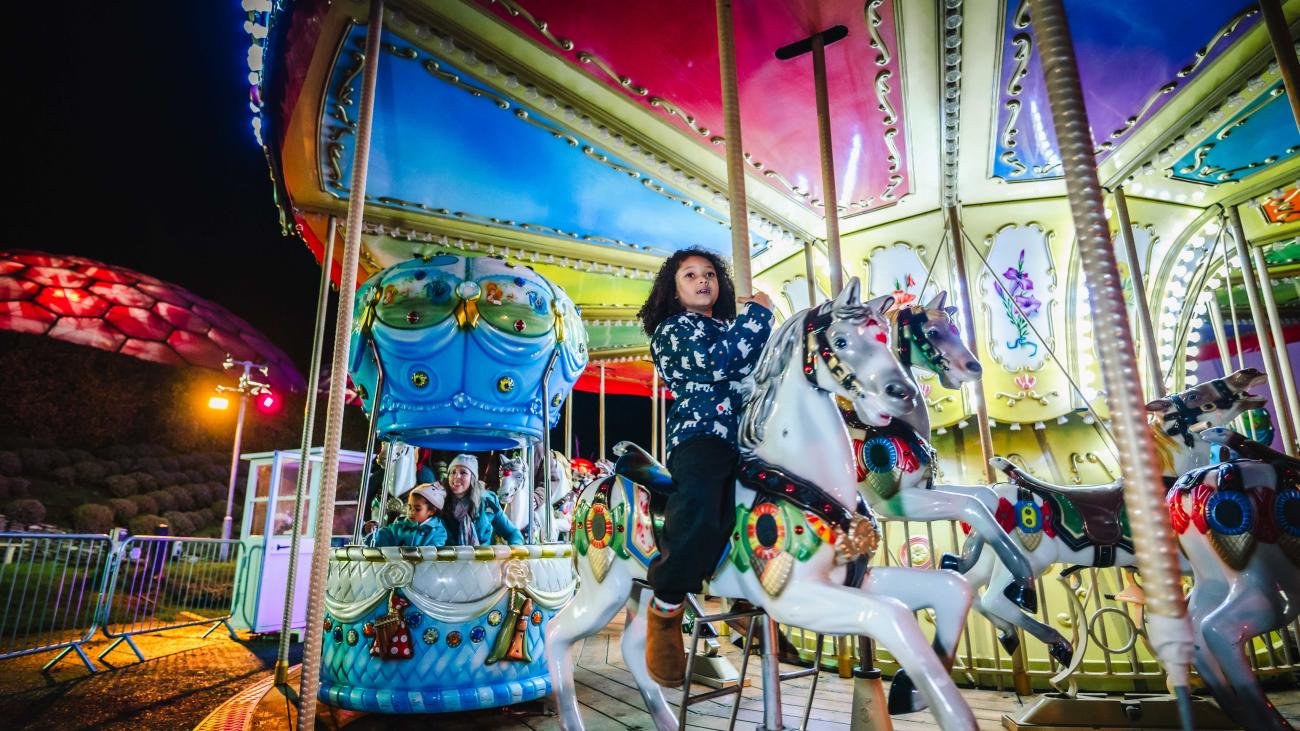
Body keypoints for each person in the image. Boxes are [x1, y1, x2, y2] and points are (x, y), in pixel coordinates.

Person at [635, 246, 773, 687]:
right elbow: (720, 363)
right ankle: (667, 605)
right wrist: (761, 315)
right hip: (702, 434)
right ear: (674, 292)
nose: (702, 280)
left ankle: (749, 589)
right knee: (699, 509)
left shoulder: (729, 328)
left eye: (709, 273)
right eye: (690, 275)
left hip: (746, 437)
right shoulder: (673, 330)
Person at [439, 454, 525, 546]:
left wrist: (515, 549)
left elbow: (512, 533)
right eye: (453, 472)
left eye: (463, 472)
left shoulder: (488, 502)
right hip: (451, 560)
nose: (456, 476)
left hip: (483, 559)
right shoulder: (438, 501)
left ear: (473, 478)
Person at [368, 483, 448, 548]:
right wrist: (371, 532)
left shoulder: (438, 532)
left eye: (417, 509)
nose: (411, 512)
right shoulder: (398, 526)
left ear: (431, 511)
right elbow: (381, 538)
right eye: (409, 507)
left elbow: (433, 554)